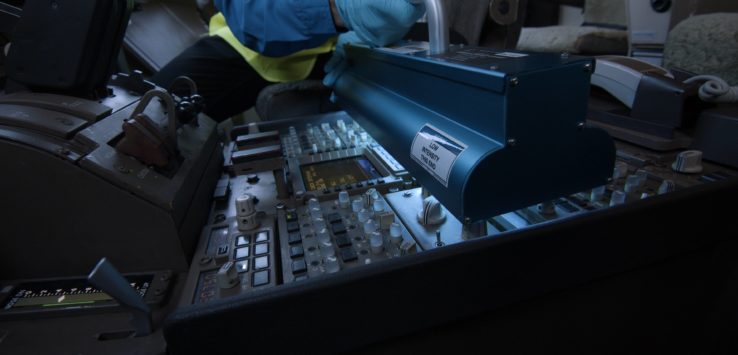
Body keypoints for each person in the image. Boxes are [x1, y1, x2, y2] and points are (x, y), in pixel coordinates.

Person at [152, 0, 426, 122]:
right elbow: (247, 13)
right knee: (150, 111)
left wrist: (361, 33)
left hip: (348, 38)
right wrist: (334, 8)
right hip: (249, 45)